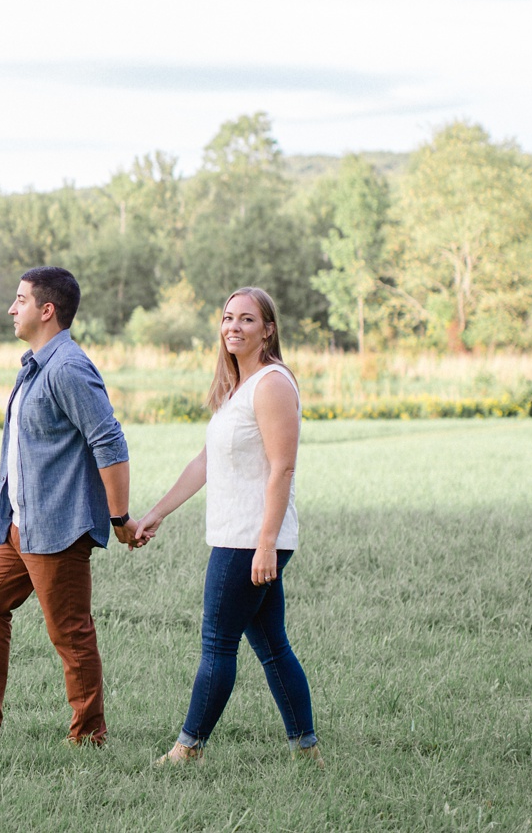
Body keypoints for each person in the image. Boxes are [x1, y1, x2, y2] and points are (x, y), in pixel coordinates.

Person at [0, 266, 137, 746]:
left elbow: (109, 442)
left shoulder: (68, 368)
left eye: (20, 300)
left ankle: (89, 734)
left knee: (70, 633)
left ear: (46, 309)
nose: (12, 308)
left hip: (57, 526)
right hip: (19, 525)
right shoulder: (35, 365)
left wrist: (119, 517)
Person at [135, 286, 321, 765]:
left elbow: (283, 468)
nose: (234, 327)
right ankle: (307, 750)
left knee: (218, 645)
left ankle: (188, 748)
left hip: (249, 541)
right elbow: (206, 461)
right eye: (227, 318)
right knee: (273, 646)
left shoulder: (272, 384)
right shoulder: (238, 387)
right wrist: (157, 512)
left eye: (247, 320)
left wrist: (265, 544)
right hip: (241, 536)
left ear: (268, 329)